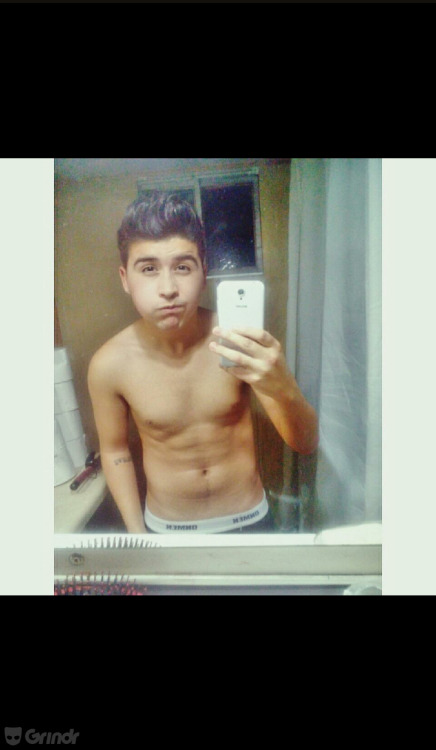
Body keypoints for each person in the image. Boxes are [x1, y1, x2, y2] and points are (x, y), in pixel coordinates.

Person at [88, 193, 318, 534]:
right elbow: (114, 451)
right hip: (167, 528)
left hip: (249, 519)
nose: (168, 288)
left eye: (183, 267)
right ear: (125, 278)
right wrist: (138, 536)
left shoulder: (237, 340)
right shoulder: (109, 364)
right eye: (149, 269)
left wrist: (282, 383)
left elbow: (305, 443)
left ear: (204, 272)